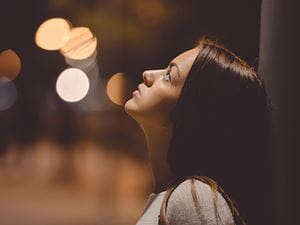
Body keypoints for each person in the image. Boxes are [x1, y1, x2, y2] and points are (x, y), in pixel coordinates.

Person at [124, 37, 274, 225]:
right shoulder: (173, 195)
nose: (148, 74)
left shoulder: (193, 200)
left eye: (169, 77)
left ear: (193, 110)